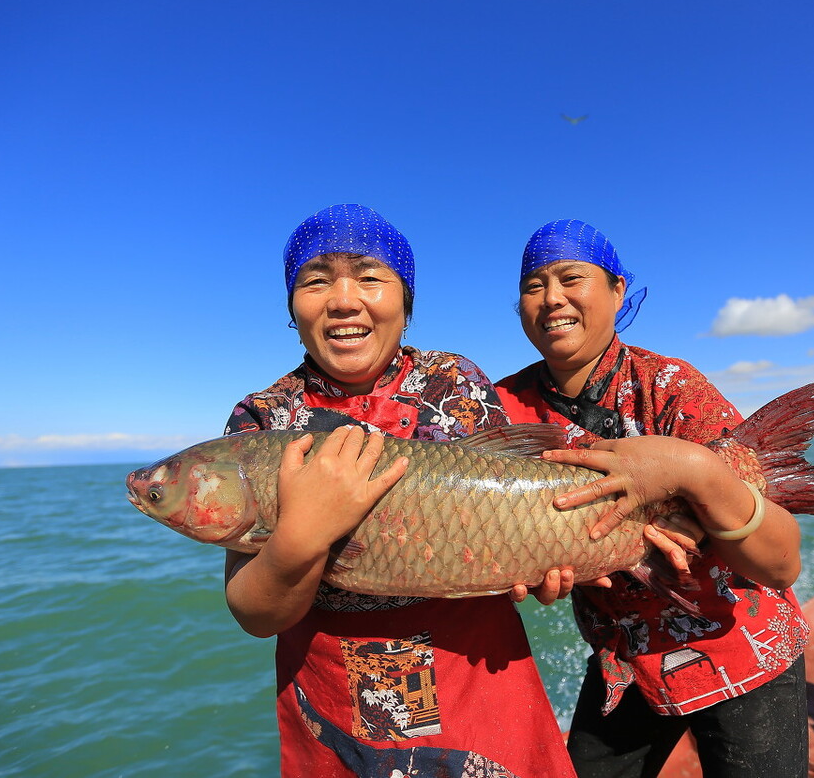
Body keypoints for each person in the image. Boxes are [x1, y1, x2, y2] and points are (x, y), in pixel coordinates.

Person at [222, 204, 575, 778]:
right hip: (332, 691)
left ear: (405, 303)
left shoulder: (455, 381)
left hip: (475, 669)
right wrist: (303, 533)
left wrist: (540, 555)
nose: (342, 299)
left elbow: (511, 485)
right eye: (315, 280)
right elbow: (256, 614)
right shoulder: (263, 419)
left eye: (369, 276)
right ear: (292, 308)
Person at [495, 220, 809, 778]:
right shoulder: (503, 408)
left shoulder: (670, 386)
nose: (552, 299)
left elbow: (781, 564)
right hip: (626, 658)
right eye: (534, 285)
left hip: (743, 644)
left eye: (571, 278)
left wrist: (696, 472)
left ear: (617, 291)